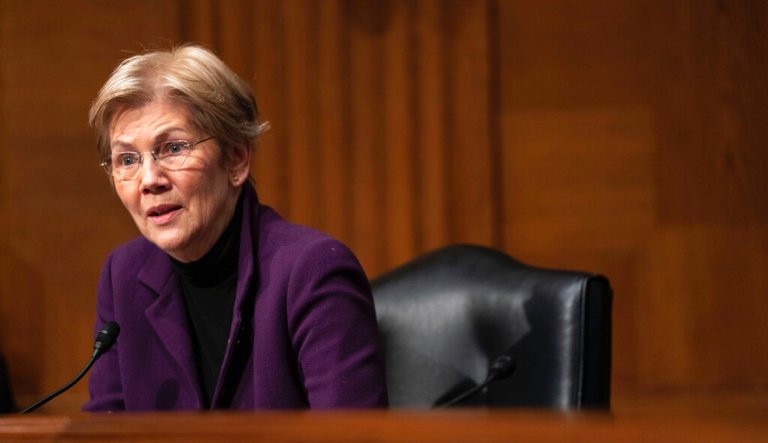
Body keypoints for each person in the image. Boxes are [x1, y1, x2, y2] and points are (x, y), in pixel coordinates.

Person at [83, 44, 388, 411]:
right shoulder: (124, 275)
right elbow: (106, 429)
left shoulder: (312, 272)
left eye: (174, 148)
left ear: (236, 159)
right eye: (127, 159)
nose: (149, 179)